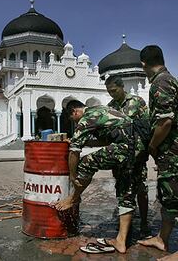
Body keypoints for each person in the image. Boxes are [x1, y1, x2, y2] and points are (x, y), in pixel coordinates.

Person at [54, 100, 148, 253]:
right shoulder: (103, 109)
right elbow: (105, 140)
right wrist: (86, 141)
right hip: (139, 150)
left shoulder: (87, 117)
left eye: (73, 120)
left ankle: (73, 198)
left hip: (125, 148)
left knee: (86, 162)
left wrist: (72, 176)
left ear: (75, 112)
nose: (75, 122)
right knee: (126, 190)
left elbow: (74, 151)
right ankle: (121, 241)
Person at [138, 45, 178, 261]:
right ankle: (162, 238)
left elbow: (165, 121)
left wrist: (153, 145)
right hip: (171, 152)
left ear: (143, 64)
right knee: (168, 198)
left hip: (174, 152)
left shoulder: (160, 82)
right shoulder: (169, 79)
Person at [105, 75, 150, 237]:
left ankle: (144, 222)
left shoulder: (137, 102)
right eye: (109, 92)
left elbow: (147, 127)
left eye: (114, 91)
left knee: (141, 189)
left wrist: (147, 150)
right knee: (122, 188)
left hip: (137, 155)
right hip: (119, 157)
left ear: (122, 86)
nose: (112, 94)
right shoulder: (110, 107)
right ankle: (125, 223)